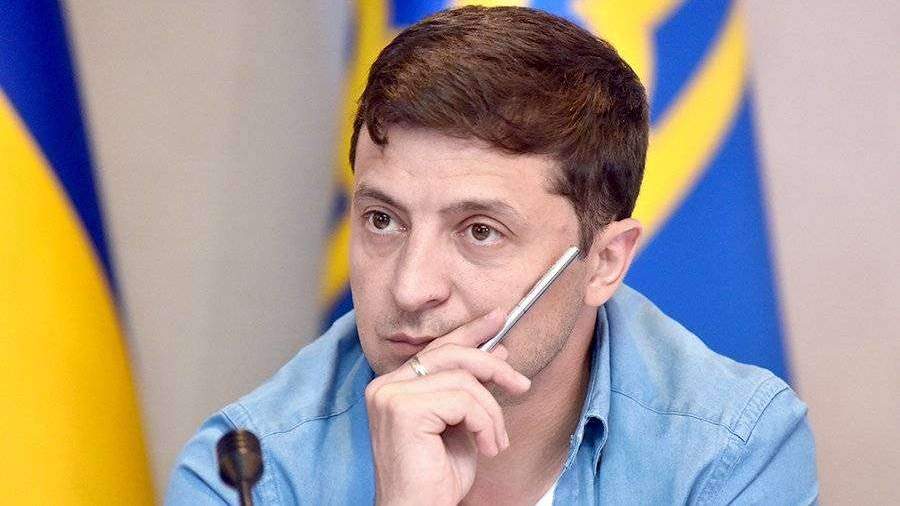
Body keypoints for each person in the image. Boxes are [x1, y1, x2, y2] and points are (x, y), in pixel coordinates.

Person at [166, 6, 818, 505]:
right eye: (383, 220)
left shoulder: (732, 447)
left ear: (604, 263)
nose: (411, 287)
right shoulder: (247, 471)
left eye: (480, 231)